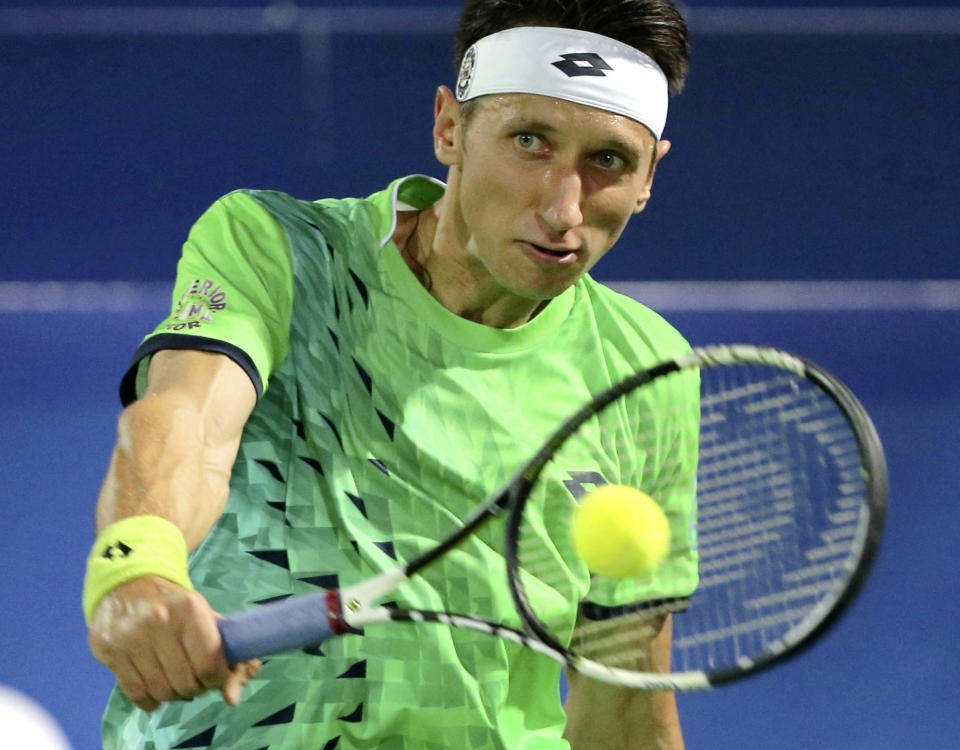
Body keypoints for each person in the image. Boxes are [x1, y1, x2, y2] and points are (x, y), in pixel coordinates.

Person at [84, 1, 696, 748]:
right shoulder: (284, 250)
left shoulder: (643, 369)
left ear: (649, 178)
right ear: (450, 128)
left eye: (608, 161)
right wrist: (139, 562)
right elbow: (189, 419)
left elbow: (626, 701)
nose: (564, 208)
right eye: (529, 141)